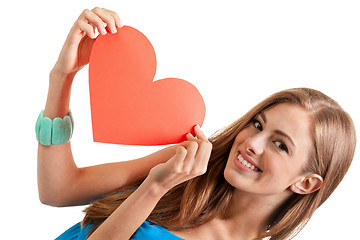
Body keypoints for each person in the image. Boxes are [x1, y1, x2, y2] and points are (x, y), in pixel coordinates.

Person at [37, 7, 356, 240]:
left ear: (306, 183)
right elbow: (58, 190)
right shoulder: (185, 165)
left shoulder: (166, 178)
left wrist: (155, 188)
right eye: (258, 125)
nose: (252, 143)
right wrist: (62, 78)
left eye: (280, 144)